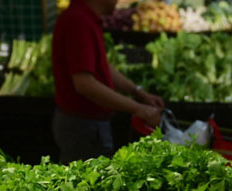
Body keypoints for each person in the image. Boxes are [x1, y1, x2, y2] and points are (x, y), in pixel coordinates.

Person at [52, 0, 164, 163]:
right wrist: (138, 108)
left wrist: (138, 93)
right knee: (86, 186)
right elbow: (85, 84)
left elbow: (102, 66)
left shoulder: (85, 18)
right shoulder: (78, 21)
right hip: (82, 127)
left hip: (88, 125)